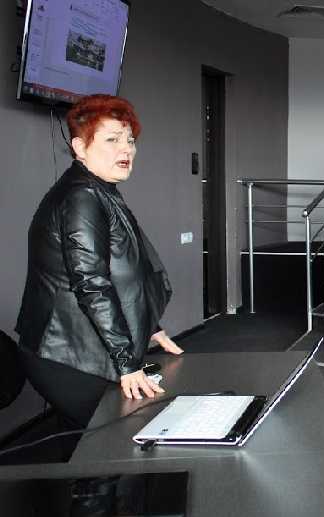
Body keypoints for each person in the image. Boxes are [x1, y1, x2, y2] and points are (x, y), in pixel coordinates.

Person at [15, 95, 183, 460]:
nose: (126, 149)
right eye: (111, 139)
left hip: (77, 345)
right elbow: (92, 283)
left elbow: (123, 272)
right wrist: (127, 362)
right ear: (80, 147)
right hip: (66, 354)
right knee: (111, 446)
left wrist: (150, 325)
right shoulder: (82, 196)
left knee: (90, 449)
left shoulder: (98, 189)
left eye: (130, 140)